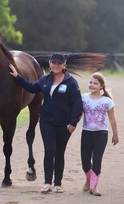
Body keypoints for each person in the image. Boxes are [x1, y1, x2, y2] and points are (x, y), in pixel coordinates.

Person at [9, 53, 83, 193]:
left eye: (59, 63)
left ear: (64, 65)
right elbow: (31, 87)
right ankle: (47, 183)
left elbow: (77, 104)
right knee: (49, 151)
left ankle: (58, 184)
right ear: (49, 64)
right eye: (53, 63)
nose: (56, 65)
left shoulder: (71, 82)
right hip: (47, 121)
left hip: (64, 123)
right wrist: (17, 76)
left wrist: (73, 122)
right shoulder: (45, 80)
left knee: (59, 152)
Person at [81, 72, 119, 196]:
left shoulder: (107, 101)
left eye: (95, 83)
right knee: (85, 160)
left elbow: (112, 119)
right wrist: (72, 123)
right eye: (90, 82)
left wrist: (115, 134)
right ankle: (88, 178)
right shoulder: (84, 98)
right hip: (86, 132)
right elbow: (79, 114)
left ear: (102, 86)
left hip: (101, 134)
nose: (92, 85)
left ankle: (94, 186)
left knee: (97, 159)